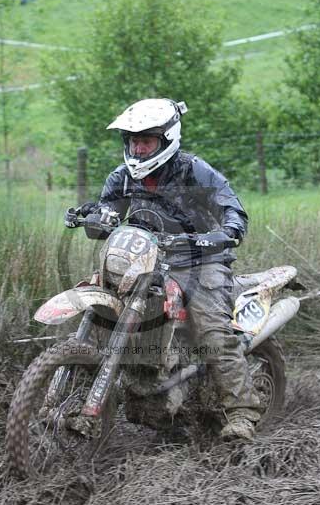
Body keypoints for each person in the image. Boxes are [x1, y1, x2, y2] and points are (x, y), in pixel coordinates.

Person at [91, 98, 262, 441]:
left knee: (212, 332)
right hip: (144, 264)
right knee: (103, 313)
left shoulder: (192, 170)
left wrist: (227, 231)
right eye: (133, 141)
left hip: (199, 261)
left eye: (147, 140)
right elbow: (103, 215)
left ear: (167, 139)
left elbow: (232, 207)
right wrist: (95, 218)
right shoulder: (122, 178)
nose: (139, 148)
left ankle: (242, 412)